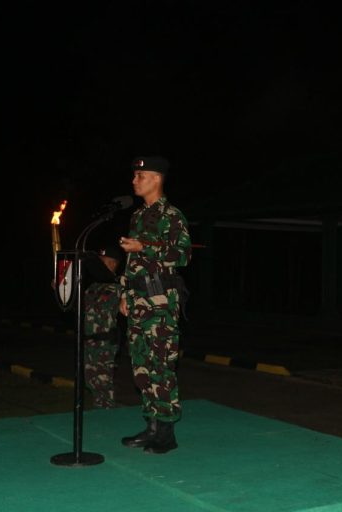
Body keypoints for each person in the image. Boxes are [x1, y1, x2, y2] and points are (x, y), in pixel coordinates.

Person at [118, 156, 192, 454]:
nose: (134, 180)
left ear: (156, 179)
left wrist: (144, 247)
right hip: (137, 300)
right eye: (134, 175)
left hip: (160, 302)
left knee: (161, 364)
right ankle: (151, 426)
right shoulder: (137, 216)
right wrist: (124, 292)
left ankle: (166, 431)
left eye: (140, 175)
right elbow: (131, 262)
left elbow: (183, 255)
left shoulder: (171, 215)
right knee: (142, 365)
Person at [83, 245, 124, 409]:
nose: (99, 266)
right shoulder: (93, 286)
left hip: (105, 344)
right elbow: (76, 306)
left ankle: (108, 415)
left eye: (104, 262)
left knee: (104, 382)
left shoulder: (119, 286)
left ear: (113, 264)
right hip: (89, 342)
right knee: (91, 380)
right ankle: (100, 413)